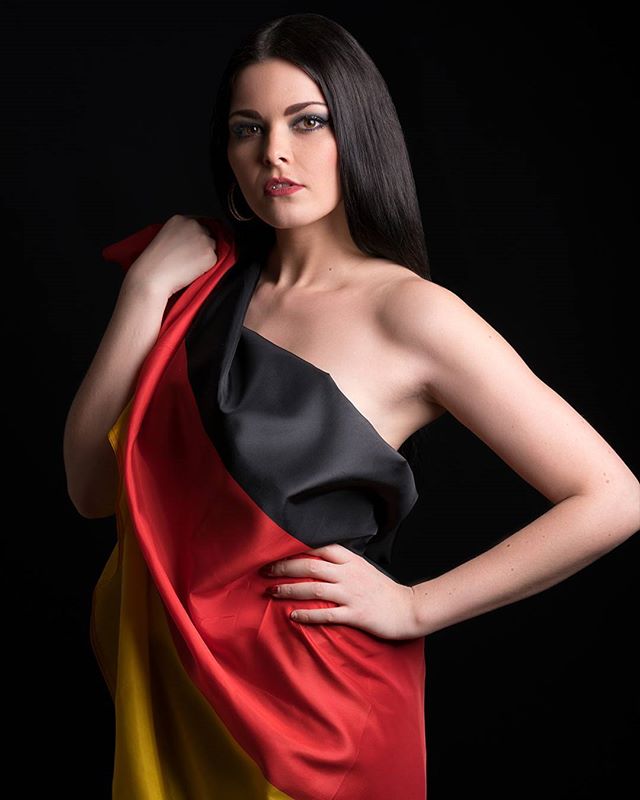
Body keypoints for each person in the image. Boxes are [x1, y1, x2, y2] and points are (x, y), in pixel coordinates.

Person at [63, 12, 640, 800]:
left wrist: (416, 607)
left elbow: (612, 497)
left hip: (323, 714)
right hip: (179, 684)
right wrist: (143, 292)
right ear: (228, 154)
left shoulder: (411, 313)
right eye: (248, 128)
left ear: (358, 134)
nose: (274, 151)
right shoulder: (194, 288)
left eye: (309, 121)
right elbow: (91, 490)